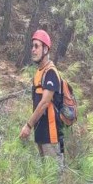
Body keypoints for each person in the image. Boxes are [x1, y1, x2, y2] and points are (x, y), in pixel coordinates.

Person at [19, 29, 64, 170]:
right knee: (45, 178)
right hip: (40, 133)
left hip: (51, 136)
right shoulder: (39, 72)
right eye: (32, 46)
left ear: (45, 49)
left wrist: (28, 125)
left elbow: (44, 102)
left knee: (53, 181)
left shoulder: (51, 72)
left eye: (37, 46)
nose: (33, 50)